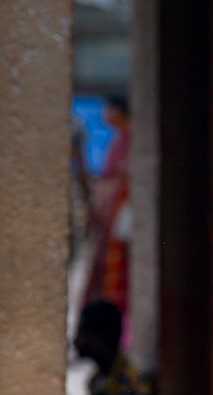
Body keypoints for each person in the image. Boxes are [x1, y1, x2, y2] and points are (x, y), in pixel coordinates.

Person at [69, 300, 154, 395]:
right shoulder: (99, 380)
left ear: (102, 336)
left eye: (83, 333)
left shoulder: (128, 381)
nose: (76, 341)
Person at [80, 95, 131, 313]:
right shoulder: (118, 140)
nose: (103, 114)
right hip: (110, 215)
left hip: (121, 214)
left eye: (107, 108)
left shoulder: (132, 140)